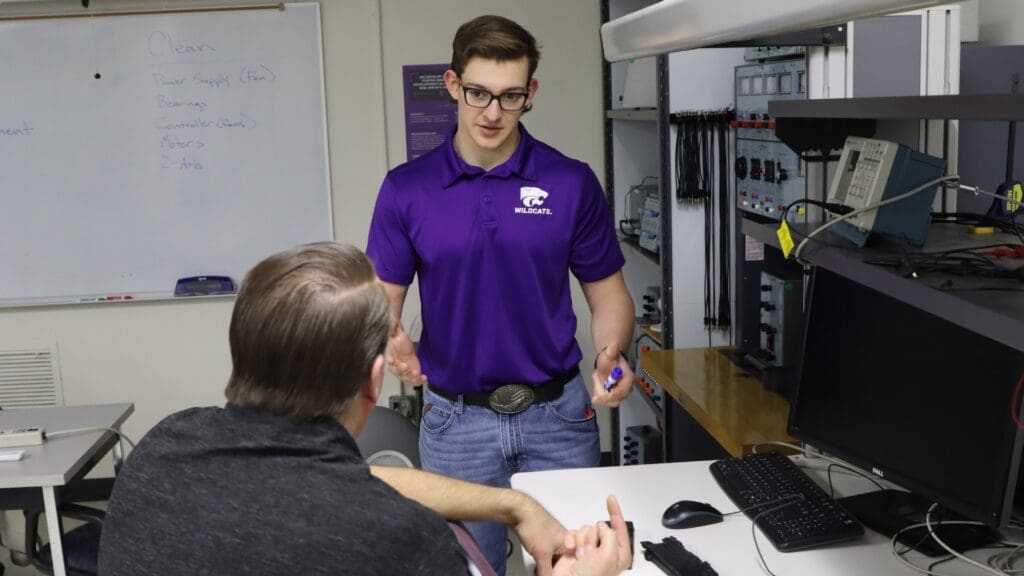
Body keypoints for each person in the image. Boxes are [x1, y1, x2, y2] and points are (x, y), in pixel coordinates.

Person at [97, 242, 630, 576]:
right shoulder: (400, 541)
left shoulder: (164, 447)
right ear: (375, 379)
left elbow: (349, 479)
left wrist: (518, 507)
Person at [366, 14, 636, 574]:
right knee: (469, 571)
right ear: (452, 85)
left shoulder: (570, 182)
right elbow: (379, 303)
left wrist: (612, 353)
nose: (492, 113)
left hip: (558, 420)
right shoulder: (406, 190)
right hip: (455, 425)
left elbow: (608, 296)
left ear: (531, 92)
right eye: (478, 94)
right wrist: (392, 342)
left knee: (576, 567)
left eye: (511, 97)